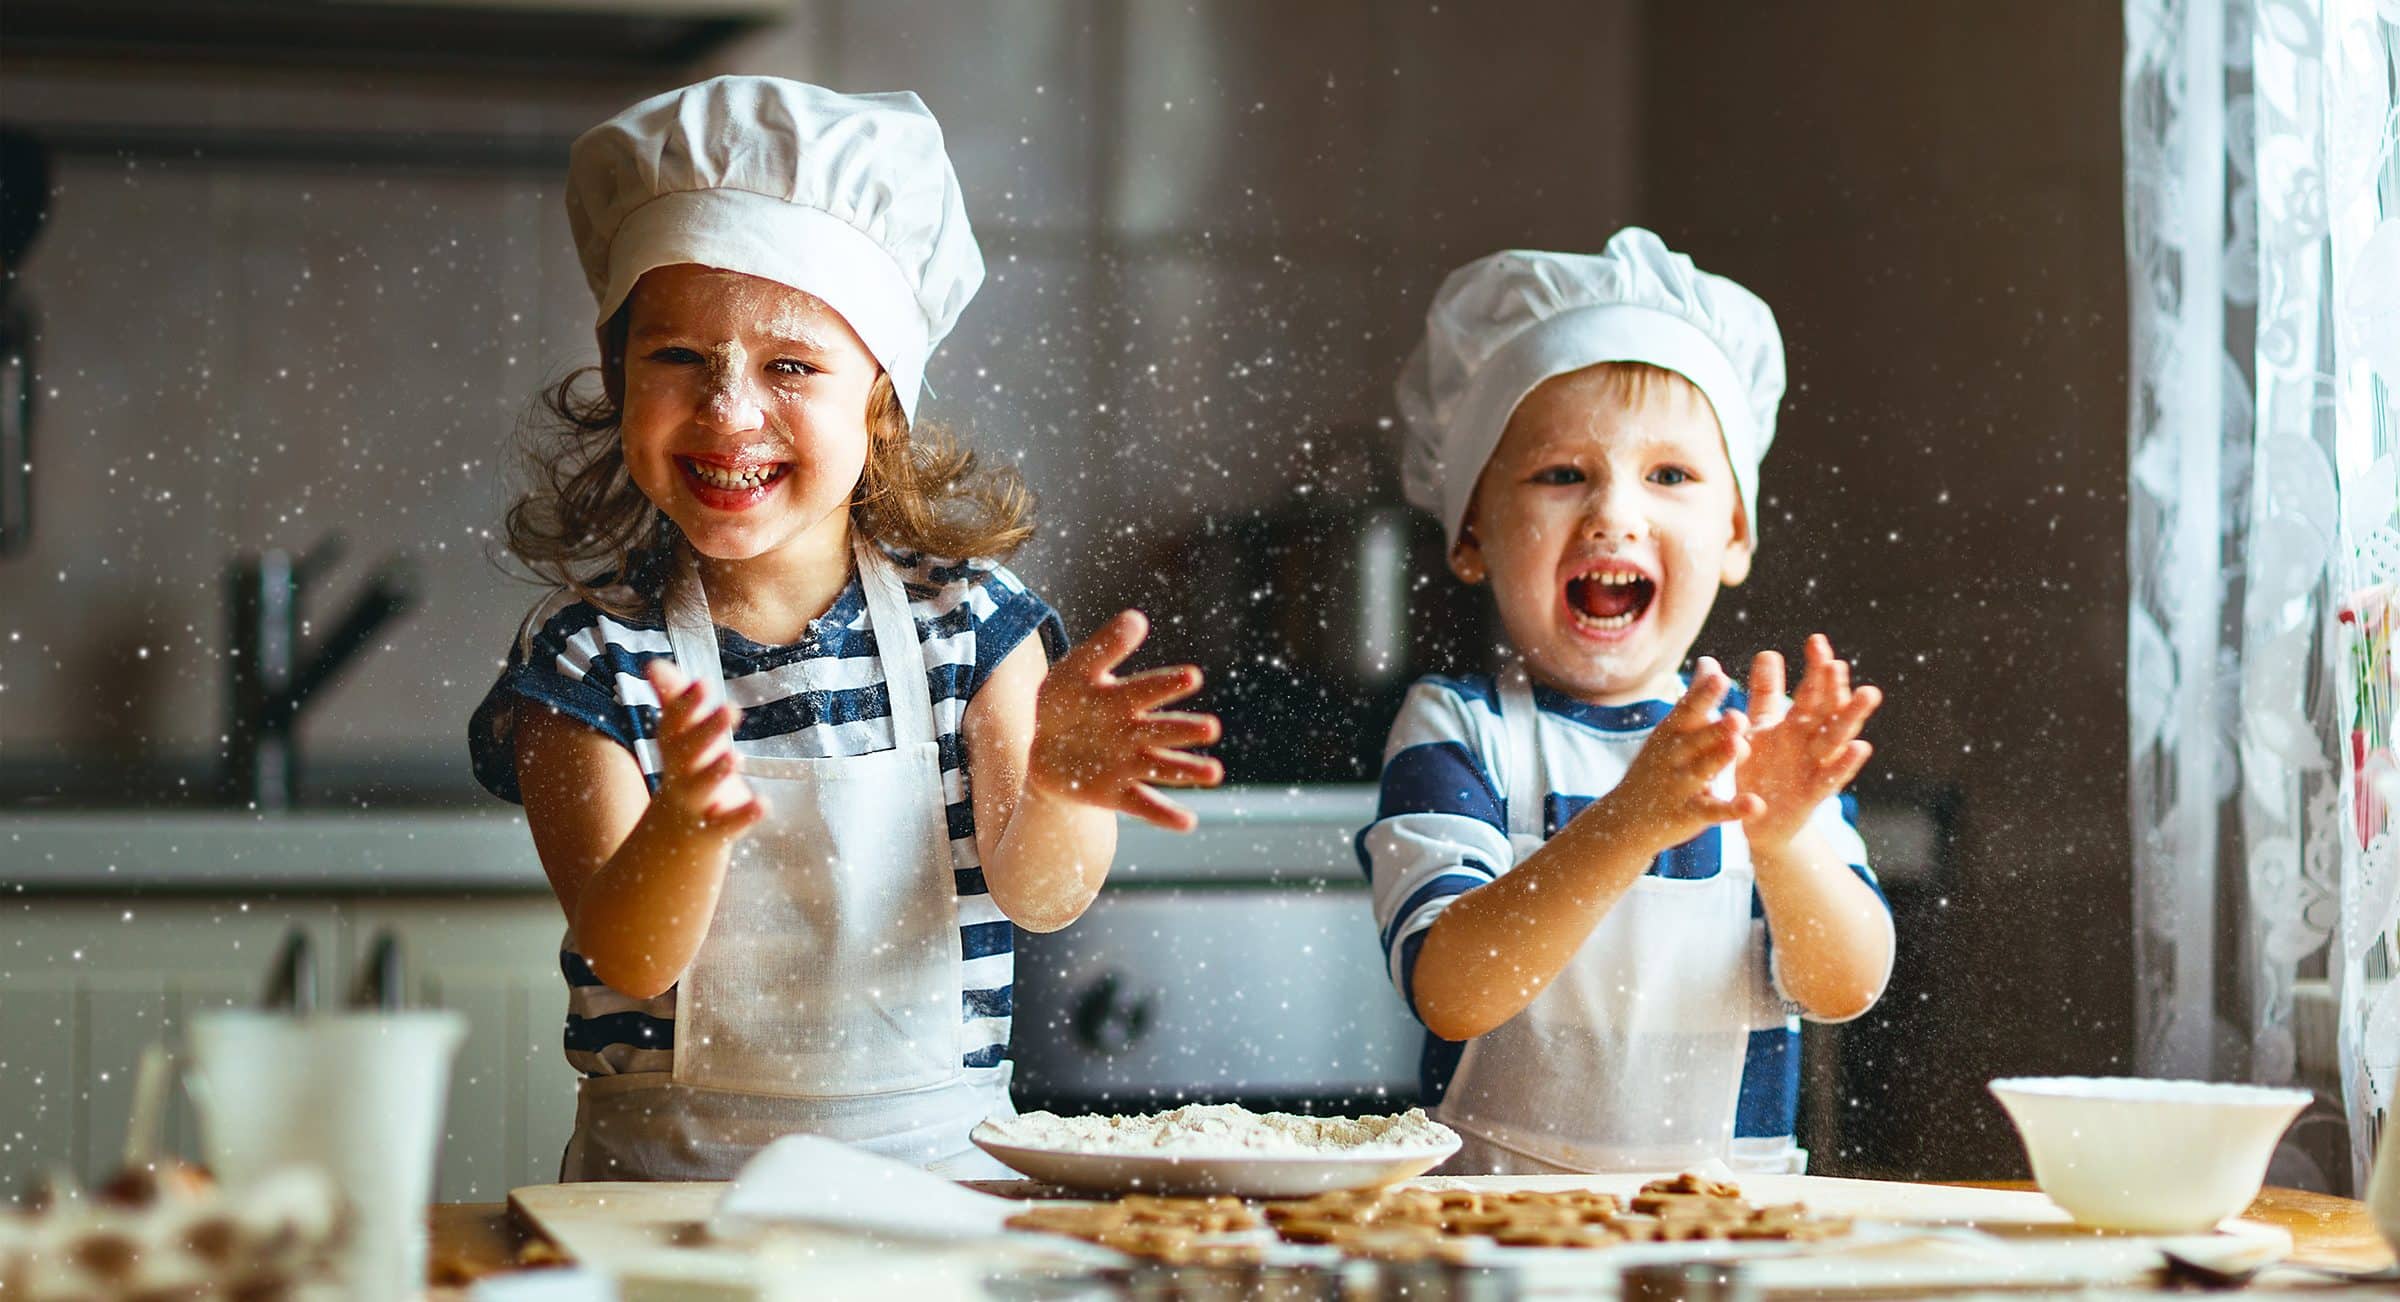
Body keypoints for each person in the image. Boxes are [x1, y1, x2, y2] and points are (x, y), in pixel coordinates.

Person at [468, 76, 1222, 1181]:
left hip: (941, 1191)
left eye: (791, 366)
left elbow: (1042, 899)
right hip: (667, 1204)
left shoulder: (974, 626)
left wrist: (1058, 786)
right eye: (677, 357)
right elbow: (629, 953)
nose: (728, 410)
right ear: (617, 377)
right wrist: (684, 824)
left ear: (880, 401)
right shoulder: (588, 664)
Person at [1363, 228, 1896, 1174]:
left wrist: (1779, 839)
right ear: (1473, 530)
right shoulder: (1459, 729)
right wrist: (1628, 824)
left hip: (1727, 1241)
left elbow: (1845, 986)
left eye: (1671, 476)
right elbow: (1450, 988)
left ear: (1735, 534)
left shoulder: (1761, 749)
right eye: (1562, 474)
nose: (1615, 512)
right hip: (1492, 1240)